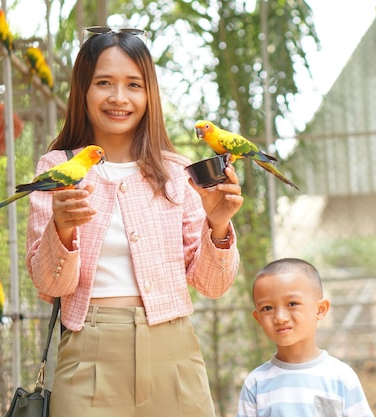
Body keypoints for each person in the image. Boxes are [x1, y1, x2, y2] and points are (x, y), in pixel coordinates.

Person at [25, 26, 244, 417]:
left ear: (149, 94)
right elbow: (51, 284)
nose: (119, 98)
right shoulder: (57, 168)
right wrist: (62, 228)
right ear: (83, 91)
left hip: (174, 355)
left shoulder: (179, 172)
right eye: (104, 83)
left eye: (134, 85)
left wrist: (219, 226)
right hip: (87, 358)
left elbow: (213, 285)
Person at [237, 258, 374, 417]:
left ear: (320, 309)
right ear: (258, 318)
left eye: (292, 304)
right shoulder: (255, 384)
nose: (280, 317)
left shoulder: (341, 377)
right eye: (267, 308)